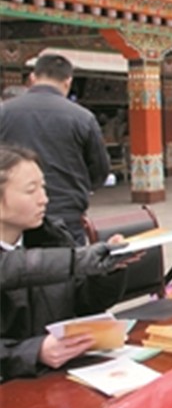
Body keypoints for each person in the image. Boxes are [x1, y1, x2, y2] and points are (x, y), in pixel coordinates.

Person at [0, 144, 131, 381]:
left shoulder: (50, 237)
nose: (44, 199)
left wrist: (108, 271)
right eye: (31, 191)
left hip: (61, 376)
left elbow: (85, 303)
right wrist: (35, 352)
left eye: (43, 187)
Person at [0, 54, 110, 244]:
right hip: (66, 211)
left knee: (16, 261)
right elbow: (99, 168)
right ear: (68, 81)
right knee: (69, 260)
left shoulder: (4, 112)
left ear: (32, 78)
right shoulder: (83, 117)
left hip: (15, 218)